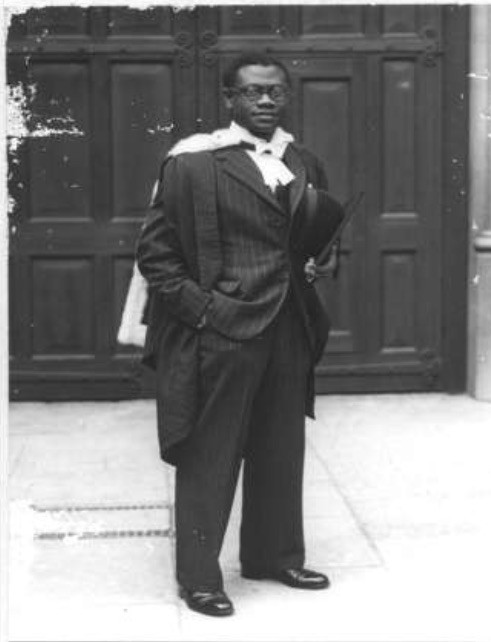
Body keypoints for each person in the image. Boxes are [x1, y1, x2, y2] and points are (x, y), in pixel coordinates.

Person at [136, 51, 341, 617]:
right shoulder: (194, 164)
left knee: (281, 447)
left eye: (275, 91)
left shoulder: (303, 160)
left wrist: (319, 264)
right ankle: (199, 577)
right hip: (223, 330)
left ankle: (273, 556)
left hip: (287, 328)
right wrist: (206, 312)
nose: (266, 100)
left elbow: (317, 236)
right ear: (230, 99)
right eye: (253, 92)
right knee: (212, 454)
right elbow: (156, 257)